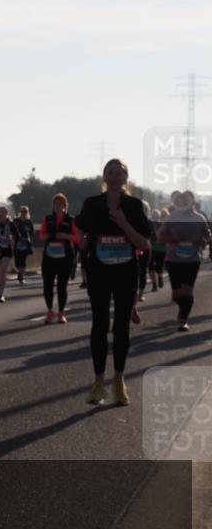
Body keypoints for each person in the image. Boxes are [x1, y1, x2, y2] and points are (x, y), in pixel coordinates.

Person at [74, 159, 152, 406]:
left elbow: (143, 244)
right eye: (110, 172)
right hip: (99, 272)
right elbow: (78, 227)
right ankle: (98, 383)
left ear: (126, 177)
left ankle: (119, 381)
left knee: (121, 327)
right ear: (104, 177)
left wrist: (124, 223)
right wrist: (83, 241)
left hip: (125, 272)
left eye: (119, 173)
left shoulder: (134, 205)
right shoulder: (93, 204)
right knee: (99, 324)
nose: (115, 176)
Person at [158, 190, 210, 332]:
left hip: (192, 260)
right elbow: (160, 237)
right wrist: (176, 239)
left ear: (192, 201)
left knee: (188, 290)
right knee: (177, 293)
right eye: (181, 200)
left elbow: (207, 236)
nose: (184, 202)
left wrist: (203, 241)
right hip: (173, 260)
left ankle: (183, 320)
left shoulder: (199, 218)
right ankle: (184, 304)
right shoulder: (171, 218)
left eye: (187, 199)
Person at [38, 193, 79, 324]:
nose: (57, 206)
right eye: (55, 204)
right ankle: (50, 311)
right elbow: (41, 235)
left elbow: (77, 238)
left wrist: (66, 236)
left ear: (65, 206)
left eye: (60, 204)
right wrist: (45, 236)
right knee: (47, 286)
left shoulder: (71, 220)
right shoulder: (47, 218)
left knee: (62, 287)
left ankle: (61, 313)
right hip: (49, 257)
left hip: (65, 257)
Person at [0, 206, 17, 301]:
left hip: (6, 250)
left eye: (3, 212)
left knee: (3, 271)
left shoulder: (11, 223)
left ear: (6, 213)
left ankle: (0, 294)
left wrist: (12, 240)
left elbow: (17, 236)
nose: (1, 214)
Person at [13, 205, 36, 285]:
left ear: (27, 212)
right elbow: (12, 231)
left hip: (26, 243)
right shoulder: (16, 220)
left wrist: (31, 240)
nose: (23, 213)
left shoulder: (28, 222)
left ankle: (21, 276)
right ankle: (19, 271)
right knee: (17, 260)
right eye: (22, 211)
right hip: (17, 242)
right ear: (20, 212)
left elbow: (32, 233)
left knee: (23, 259)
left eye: (25, 211)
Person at [149, 208, 167, 293]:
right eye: (153, 215)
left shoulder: (163, 224)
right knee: (151, 266)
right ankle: (154, 285)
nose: (155, 217)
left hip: (161, 248)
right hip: (150, 248)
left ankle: (160, 277)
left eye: (157, 215)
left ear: (159, 216)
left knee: (159, 266)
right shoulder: (149, 224)